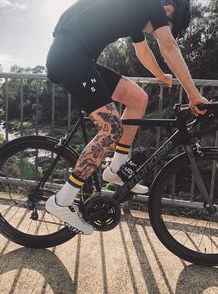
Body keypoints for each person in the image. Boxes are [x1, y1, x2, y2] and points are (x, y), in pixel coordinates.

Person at [45, 0, 208, 234]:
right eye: (167, 26)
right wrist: (193, 94)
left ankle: (116, 167)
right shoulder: (150, 3)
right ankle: (62, 201)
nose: (157, 31)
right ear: (168, 9)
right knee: (111, 129)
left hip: (76, 55)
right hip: (70, 56)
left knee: (137, 99)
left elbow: (142, 51)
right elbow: (168, 45)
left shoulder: (136, 11)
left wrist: (160, 75)